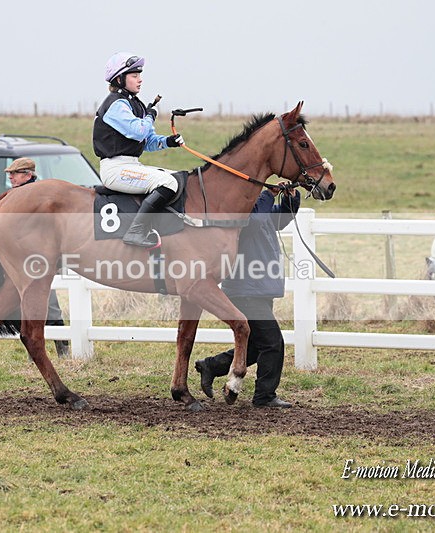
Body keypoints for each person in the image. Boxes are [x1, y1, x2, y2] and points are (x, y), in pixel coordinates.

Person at [194, 185, 301, 407]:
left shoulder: (260, 211)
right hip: (245, 290)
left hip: (257, 288)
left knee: (256, 345)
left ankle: (212, 366)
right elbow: (254, 224)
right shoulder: (240, 215)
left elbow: (279, 220)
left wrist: (291, 198)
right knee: (273, 343)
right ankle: (264, 396)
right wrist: (268, 195)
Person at [93, 52, 185, 247]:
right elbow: (139, 131)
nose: (140, 80)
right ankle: (135, 232)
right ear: (119, 79)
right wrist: (150, 115)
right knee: (168, 183)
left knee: (178, 178)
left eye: (139, 75)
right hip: (114, 170)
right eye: (134, 75)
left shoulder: (133, 104)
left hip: (131, 164)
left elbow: (147, 140)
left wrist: (168, 141)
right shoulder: (115, 105)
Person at [5, 157, 70, 358]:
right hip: (26, 259)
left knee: (50, 306)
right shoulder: (19, 196)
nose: (11, 177)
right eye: (10, 174)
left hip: (39, 259)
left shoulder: (37, 198)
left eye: (14, 174)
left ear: (28, 175)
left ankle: (63, 351)